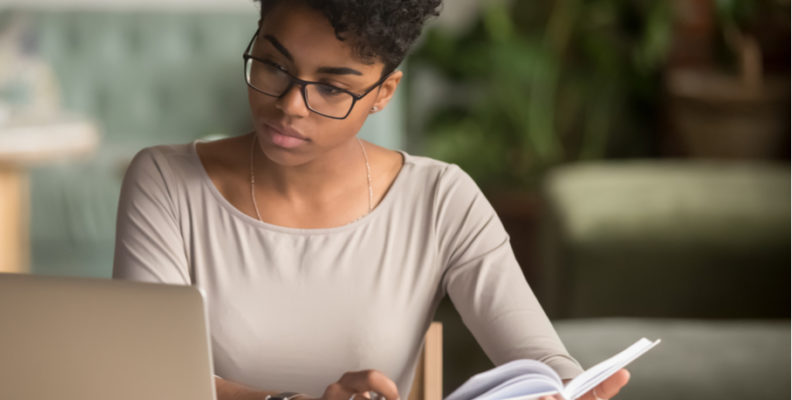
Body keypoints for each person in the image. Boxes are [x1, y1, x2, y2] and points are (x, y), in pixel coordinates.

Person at [112, 1, 631, 399]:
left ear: (384, 92)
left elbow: (538, 356)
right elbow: (145, 377)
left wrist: (569, 386)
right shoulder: (166, 181)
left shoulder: (440, 199)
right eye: (273, 66)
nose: (291, 105)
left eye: (333, 89)